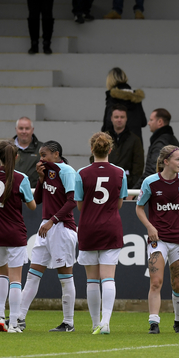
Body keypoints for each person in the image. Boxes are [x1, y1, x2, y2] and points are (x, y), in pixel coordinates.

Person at [136, 145, 179, 334]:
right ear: (166, 162)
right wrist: (150, 227)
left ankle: (178, 322)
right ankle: (154, 323)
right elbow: (139, 208)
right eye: (178, 159)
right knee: (156, 281)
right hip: (158, 240)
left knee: (177, 283)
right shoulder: (150, 182)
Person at [18, 141, 78, 332]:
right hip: (47, 227)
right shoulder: (48, 172)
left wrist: (52, 220)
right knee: (33, 274)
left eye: (44, 155)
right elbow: (38, 200)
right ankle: (19, 318)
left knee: (65, 276)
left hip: (61, 227)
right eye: (40, 155)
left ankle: (68, 323)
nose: (41, 159)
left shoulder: (67, 171)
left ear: (56, 154)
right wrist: (41, 178)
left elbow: (73, 201)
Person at [75, 132, 127, 334]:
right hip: (110, 227)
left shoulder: (82, 173)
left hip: (88, 228)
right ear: (110, 150)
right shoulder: (120, 172)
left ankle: (95, 323)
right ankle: (106, 322)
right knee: (108, 278)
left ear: (91, 150)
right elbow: (120, 203)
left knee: (92, 280)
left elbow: (79, 205)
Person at [0, 141, 36, 333]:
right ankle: (14, 322)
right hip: (14, 233)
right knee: (16, 279)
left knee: (2, 274)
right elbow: (31, 205)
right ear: (16, 157)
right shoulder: (20, 178)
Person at [134, 108, 179, 189]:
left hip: (162, 190)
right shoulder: (173, 140)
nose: (148, 123)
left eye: (151, 120)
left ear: (160, 122)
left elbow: (153, 170)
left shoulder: (160, 143)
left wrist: (134, 191)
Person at [101, 68, 147, 145]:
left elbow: (108, 124)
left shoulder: (112, 98)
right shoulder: (136, 98)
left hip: (116, 146)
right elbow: (143, 122)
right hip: (135, 146)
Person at [105, 105, 144, 188]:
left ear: (126, 118)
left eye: (122, 117)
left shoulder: (135, 140)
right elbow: (95, 158)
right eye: (116, 117)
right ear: (111, 118)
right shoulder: (104, 138)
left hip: (127, 185)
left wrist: (132, 188)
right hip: (105, 183)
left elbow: (138, 166)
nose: (119, 120)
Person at [13, 117, 43, 188]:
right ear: (16, 129)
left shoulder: (42, 149)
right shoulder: (7, 148)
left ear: (32, 130)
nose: (24, 131)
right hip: (12, 194)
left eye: (27, 128)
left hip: (34, 194)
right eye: (21, 128)